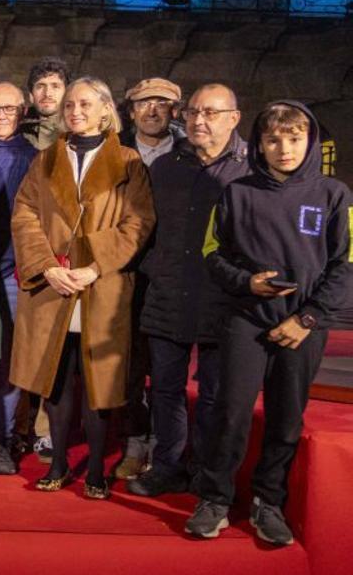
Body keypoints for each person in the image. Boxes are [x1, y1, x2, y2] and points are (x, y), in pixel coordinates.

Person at [187, 101, 352, 546]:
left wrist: (307, 318)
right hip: (246, 318)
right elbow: (211, 254)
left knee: (285, 417)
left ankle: (268, 501)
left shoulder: (335, 195)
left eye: (294, 138)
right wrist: (247, 282)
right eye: (274, 139)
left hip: (305, 325)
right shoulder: (236, 193)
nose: (284, 148)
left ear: (310, 141)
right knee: (231, 411)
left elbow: (346, 265)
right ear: (259, 143)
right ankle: (215, 499)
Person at [10, 77, 155, 499]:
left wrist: (94, 266)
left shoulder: (127, 161)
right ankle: (57, 463)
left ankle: (94, 468)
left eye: (86, 104)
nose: (75, 110)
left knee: (97, 380)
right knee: (56, 378)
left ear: (106, 111)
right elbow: (24, 214)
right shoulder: (46, 159)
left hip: (101, 286)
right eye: (70, 104)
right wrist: (45, 266)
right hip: (52, 285)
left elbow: (139, 222)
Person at [128, 83, 248, 498]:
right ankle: (168, 465)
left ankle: (205, 469)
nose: (198, 120)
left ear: (234, 118)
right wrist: (153, 271)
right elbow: (146, 229)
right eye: (193, 112)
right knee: (164, 388)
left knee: (215, 393)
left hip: (224, 300)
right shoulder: (166, 167)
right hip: (169, 295)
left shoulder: (250, 170)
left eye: (210, 113)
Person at [114, 77, 186, 480]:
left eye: (162, 104)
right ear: (131, 111)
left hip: (172, 273)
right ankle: (134, 441)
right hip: (127, 272)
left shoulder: (189, 153)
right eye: (144, 104)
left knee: (167, 369)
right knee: (129, 364)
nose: (153, 110)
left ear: (176, 111)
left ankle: (165, 448)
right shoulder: (117, 152)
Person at [0, 82, 38, 475]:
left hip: (12, 271)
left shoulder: (36, 158)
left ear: (22, 112)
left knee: (9, 363)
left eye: (9, 109)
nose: (0, 115)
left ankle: (0, 440)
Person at [14, 57, 69, 462]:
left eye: (55, 85)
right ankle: (16, 427)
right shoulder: (15, 133)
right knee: (21, 347)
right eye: (41, 86)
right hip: (16, 247)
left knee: (53, 346)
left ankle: (46, 428)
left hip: (60, 254)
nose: (47, 92)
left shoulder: (78, 135)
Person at [20, 57, 69, 151]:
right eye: (40, 87)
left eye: (55, 86)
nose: (47, 94)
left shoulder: (77, 132)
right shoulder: (15, 131)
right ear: (31, 95)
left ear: (67, 93)